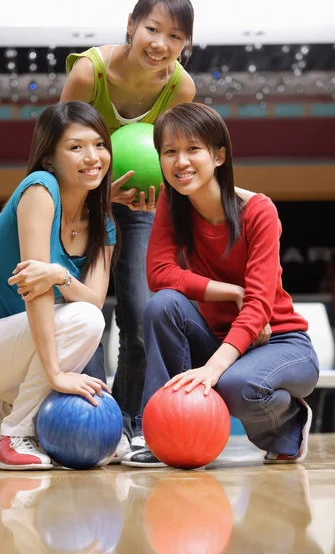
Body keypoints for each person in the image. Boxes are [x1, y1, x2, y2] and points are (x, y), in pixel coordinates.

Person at [122, 102, 320, 467]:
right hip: (219, 338)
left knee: (234, 386)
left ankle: (290, 422)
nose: (181, 161)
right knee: (162, 304)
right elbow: (159, 274)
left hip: (280, 341)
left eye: (193, 149)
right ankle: (160, 436)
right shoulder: (173, 202)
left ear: (218, 156)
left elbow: (259, 307)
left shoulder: (259, 211)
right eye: (170, 151)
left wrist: (212, 370)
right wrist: (229, 291)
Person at [0, 100, 116, 470]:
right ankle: (13, 433)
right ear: (49, 158)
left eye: (99, 144)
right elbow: (35, 293)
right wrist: (55, 374)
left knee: (86, 317)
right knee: (82, 321)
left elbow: (94, 300)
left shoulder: (102, 222)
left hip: (4, 350)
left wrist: (60, 275)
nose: (92, 156)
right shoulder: (40, 189)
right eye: (76, 147)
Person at [60, 0, 196, 457]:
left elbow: (177, 158)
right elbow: (59, 148)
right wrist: (93, 195)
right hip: (84, 202)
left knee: (139, 315)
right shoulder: (88, 72)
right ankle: (90, 417)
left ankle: (130, 421)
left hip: (141, 207)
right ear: (131, 25)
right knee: (84, 312)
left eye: (175, 36)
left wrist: (165, 196)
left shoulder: (180, 87)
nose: (160, 43)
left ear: (186, 45)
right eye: (153, 28)